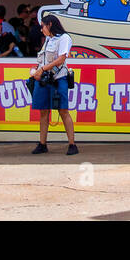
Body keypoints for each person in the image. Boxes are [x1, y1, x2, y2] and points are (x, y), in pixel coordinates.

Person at [29, 14, 78, 155]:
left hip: (58, 79)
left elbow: (62, 59)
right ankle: (42, 144)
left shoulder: (64, 38)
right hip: (44, 80)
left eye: (43, 26)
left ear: (49, 24)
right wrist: (36, 69)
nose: (41, 29)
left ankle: (72, 145)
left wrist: (42, 69)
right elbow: (42, 59)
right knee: (43, 111)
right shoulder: (49, 39)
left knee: (63, 111)